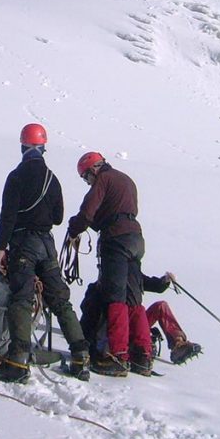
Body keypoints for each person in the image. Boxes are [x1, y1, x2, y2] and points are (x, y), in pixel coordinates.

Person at [0, 123, 91, 383]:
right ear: (43, 147)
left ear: (23, 146)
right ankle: (81, 356)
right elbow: (58, 217)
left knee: (21, 299)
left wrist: (2, 247)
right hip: (47, 244)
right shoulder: (52, 179)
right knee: (59, 299)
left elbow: (8, 216)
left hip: (23, 243)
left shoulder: (16, 176)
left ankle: (17, 360)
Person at [67, 152, 151, 376]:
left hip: (115, 240)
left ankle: (118, 355)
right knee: (134, 298)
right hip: (136, 238)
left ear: (92, 169)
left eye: (86, 178)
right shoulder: (125, 179)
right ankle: (143, 356)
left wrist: (73, 229)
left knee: (115, 298)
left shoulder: (103, 180)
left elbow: (87, 212)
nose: (88, 182)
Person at [80, 270, 202, 371]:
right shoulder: (104, 284)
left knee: (161, 306)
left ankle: (178, 344)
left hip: (133, 324)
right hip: (117, 330)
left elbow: (151, 284)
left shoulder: (129, 274)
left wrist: (164, 281)